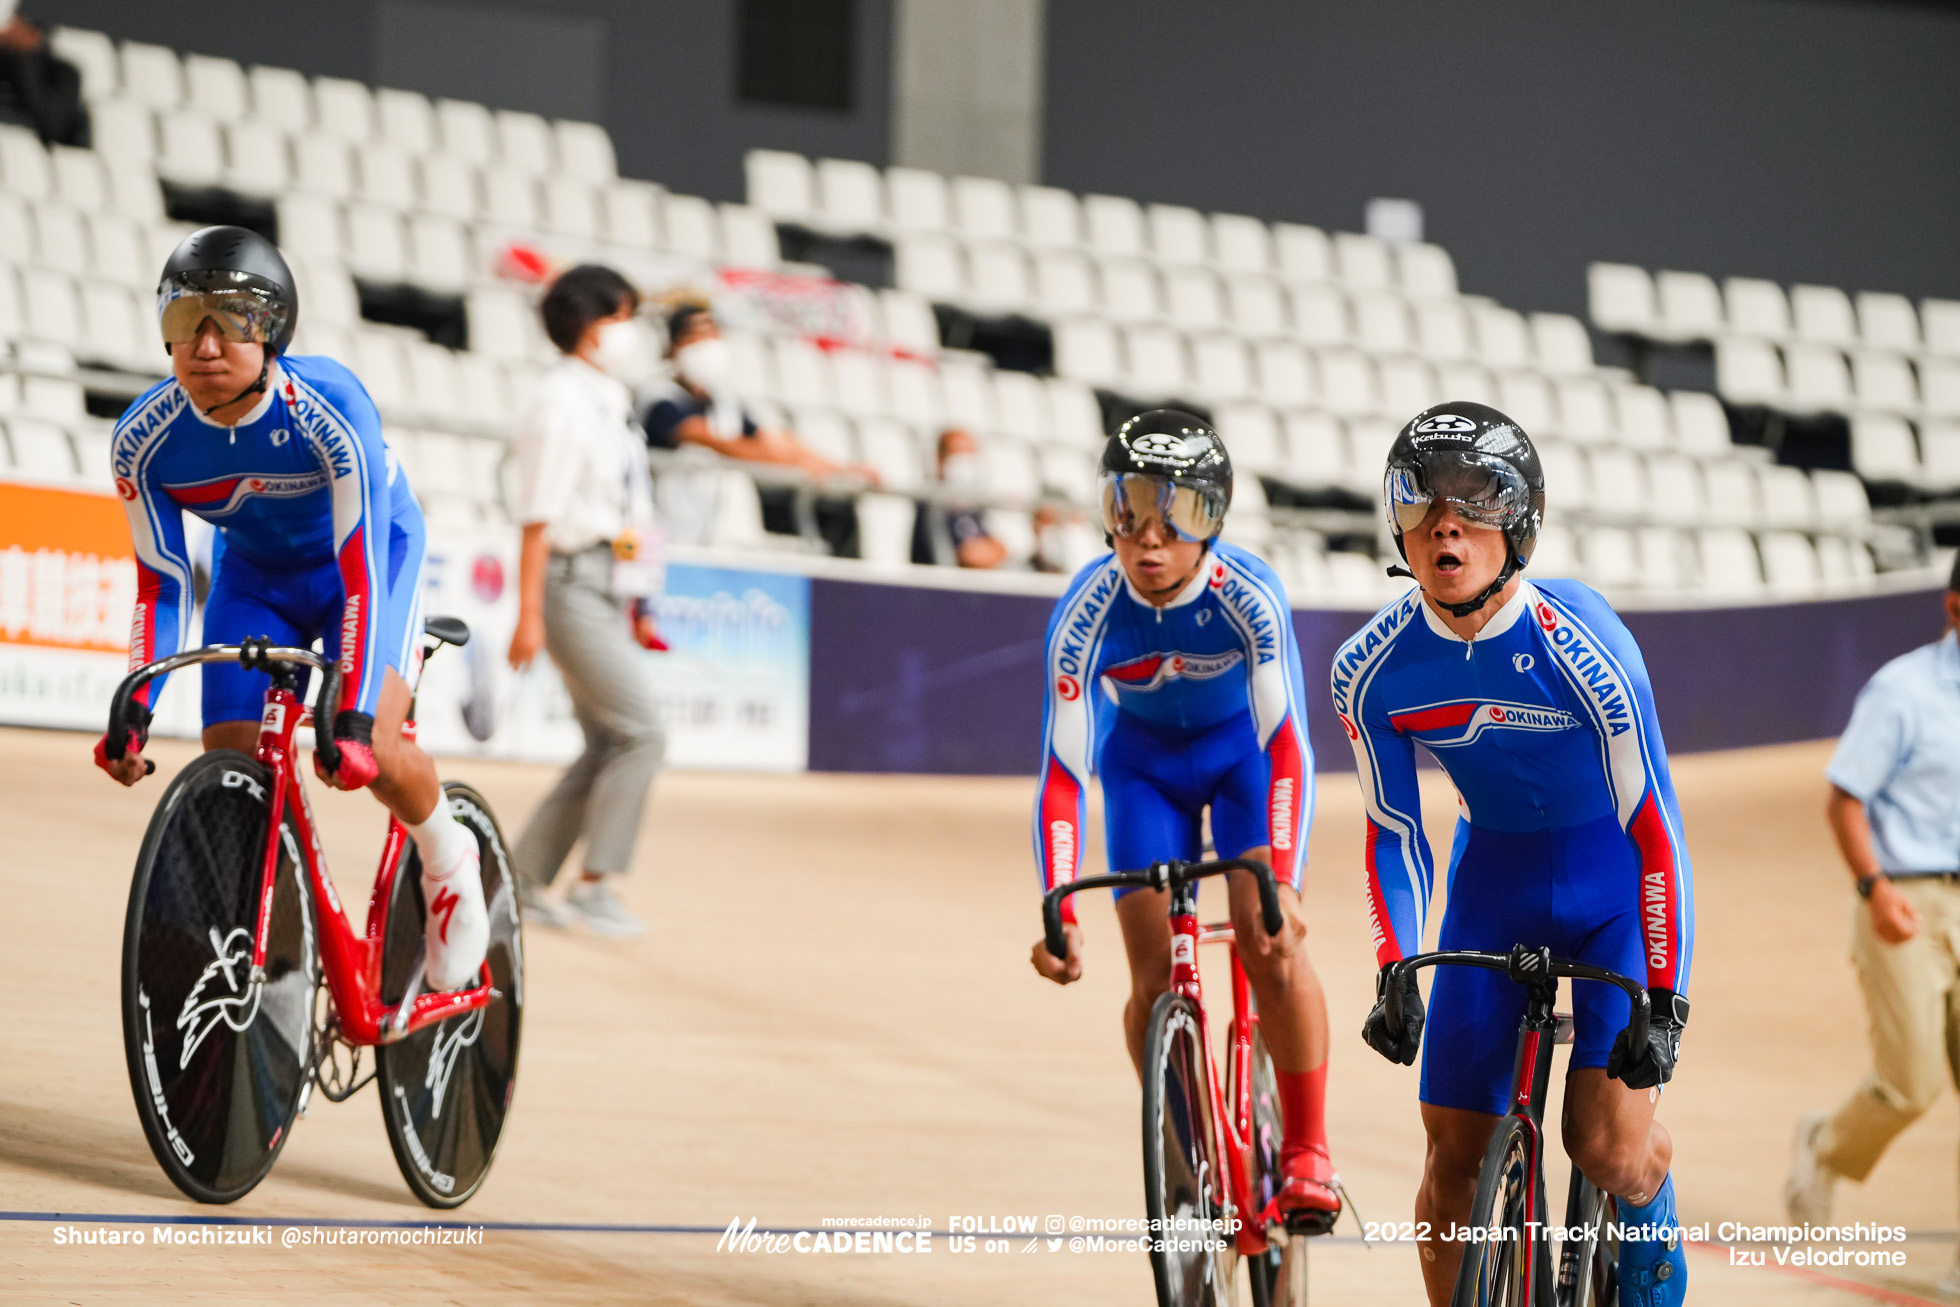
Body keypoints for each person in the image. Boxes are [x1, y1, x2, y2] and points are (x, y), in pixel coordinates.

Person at [1334, 401, 1693, 1307]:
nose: (1445, 521)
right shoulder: (1368, 669)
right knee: (1451, 1162)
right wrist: (1395, 967)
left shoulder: (1589, 649)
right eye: (1422, 500)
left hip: (1611, 889)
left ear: (1520, 521)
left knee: (1604, 1143)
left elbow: (1656, 833)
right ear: (1398, 524)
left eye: (1476, 498)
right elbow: (1392, 827)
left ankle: (1650, 1211)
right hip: (1491, 882)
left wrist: (1666, 999)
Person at [94, 225, 487, 992]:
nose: (205, 345)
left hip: (368, 562)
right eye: (185, 320)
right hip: (258, 579)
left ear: (273, 332)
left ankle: (448, 857)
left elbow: (363, 570)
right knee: (232, 763)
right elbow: (163, 585)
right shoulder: (143, 440)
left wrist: (348, 715)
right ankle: (269, 964)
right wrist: (135, 707)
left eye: (231, 320)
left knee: (367, 747)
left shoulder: (329, 403)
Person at [1027, 409, 1341, 1227]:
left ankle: (1307, 1149)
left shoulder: (1249, 595)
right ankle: (1182, 1143)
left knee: (1269, 940)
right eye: (1125, 514)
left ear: (1214, 523)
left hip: (1242, 764)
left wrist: (1286, 880)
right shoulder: (1087, 608)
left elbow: (1289, 746)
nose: (1148, 541)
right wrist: (1058, 902)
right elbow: (1062, 770)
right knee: (1152, 976)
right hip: (1144, 775)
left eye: (1177, 519)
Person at [1787, 555, 1960, 1296]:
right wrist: (1873, 886)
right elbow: (1844, 797)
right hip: (1906, 899)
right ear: (1955, 607)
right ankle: (1825, 1146)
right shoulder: (1904, 690)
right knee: (1913, 1080)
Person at [506, 265, 667, 939]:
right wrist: (529, 611)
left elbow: (628, 507)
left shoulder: (607, 398)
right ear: (593, 323)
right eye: (621, 315)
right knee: (640, 730)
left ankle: (520, 877)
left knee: (608, 737)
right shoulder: (561, 400)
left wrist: (639, 596)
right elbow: (538, 514)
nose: (631, 330)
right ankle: (597, 883)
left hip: (606, 577)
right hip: (572, 580)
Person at [641, 304, 874, 555]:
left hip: (712, 535)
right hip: (666, 532)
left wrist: (836, 469)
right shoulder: (658, 398)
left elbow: (775, 440)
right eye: (695, 336)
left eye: (712, 334)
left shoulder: (724, 401)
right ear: (673, 347)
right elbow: (705, 436)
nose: (706, 345)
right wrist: (786, 461)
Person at [912, 426, 1005, 568]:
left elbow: (999, 548)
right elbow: (965, 557)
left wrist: (993, 551)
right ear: (940, 459)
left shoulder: (975, 505)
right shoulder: (931, 504)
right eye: (958, 454)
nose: (964, 462)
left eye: (969, 454)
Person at [0, 4, 85, 147]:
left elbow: (23, 24)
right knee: (25, 66)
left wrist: (30, 36)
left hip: (24, 52)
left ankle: (63, 129)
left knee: (69, 72)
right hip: (8, 56)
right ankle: (51, 131)